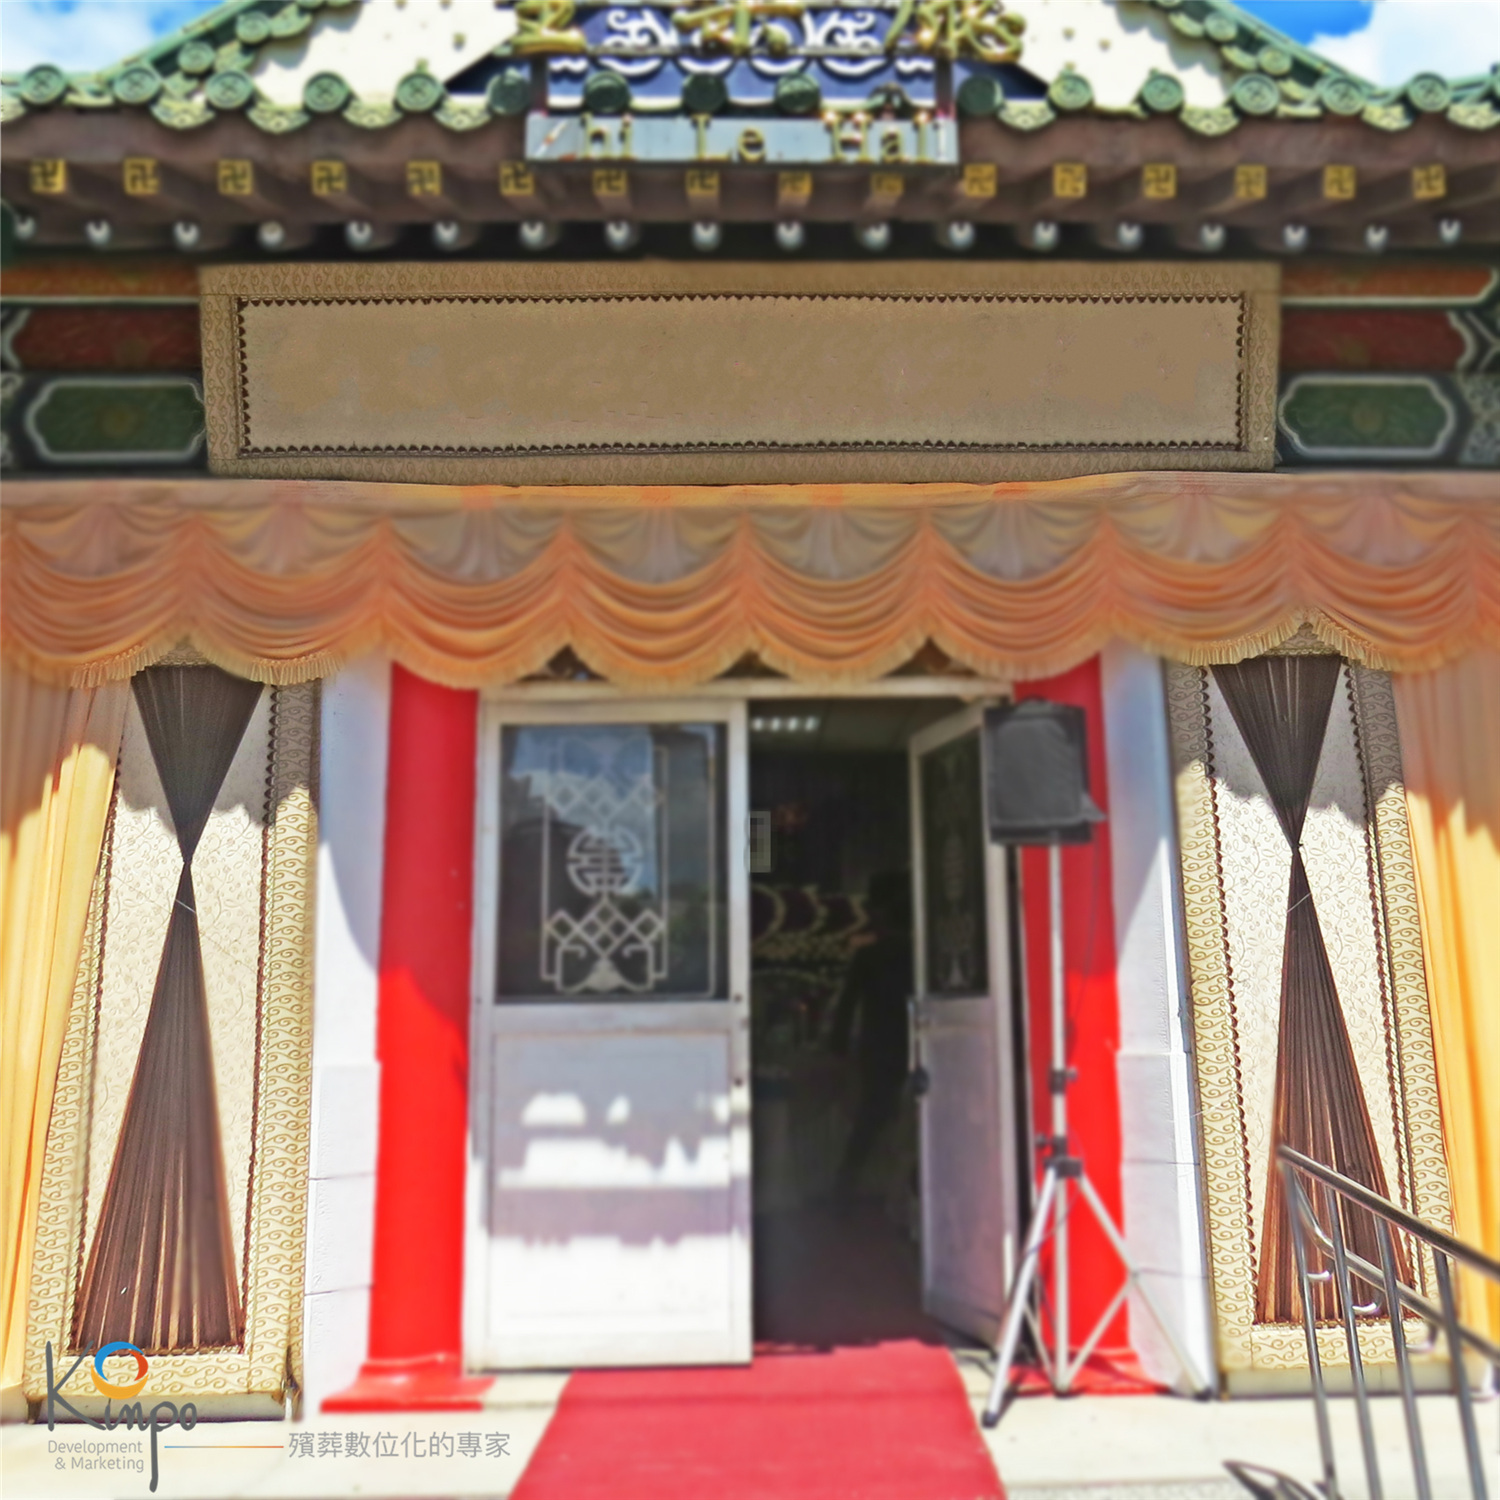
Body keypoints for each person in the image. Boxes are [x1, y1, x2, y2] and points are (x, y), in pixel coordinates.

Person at [829, 870, 914, 1197]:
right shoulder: (915, 952)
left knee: (871, 1116)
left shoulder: (871, 954)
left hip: (879, 1043)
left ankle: (846, 1184)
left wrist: (838, 1044)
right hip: (907, 1039)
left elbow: (848, 1002)